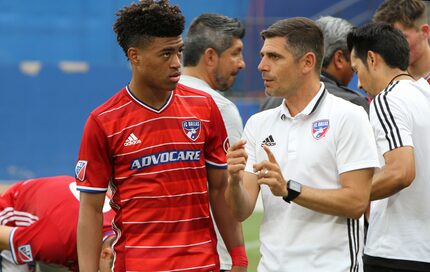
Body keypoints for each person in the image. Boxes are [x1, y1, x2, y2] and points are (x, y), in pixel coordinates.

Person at [76, 1, 247, 271]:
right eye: (166, 54)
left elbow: (219, 189)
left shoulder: (205, 107)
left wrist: (239, 257)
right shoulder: (103, 121)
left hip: (202, 266)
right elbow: (91, 210)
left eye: (179, 51)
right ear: (135, 56)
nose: (177, 63)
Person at [225, 17, 379, 271]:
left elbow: (356, 203)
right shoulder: (258, 123)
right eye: (263, 56)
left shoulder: (348, 116)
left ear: (307, 62)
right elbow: (241, 211)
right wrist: (233, 180)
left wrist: (289, 189)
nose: (261, 66)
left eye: (274, 57)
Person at [348, 22, 430, 272]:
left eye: (356, 69)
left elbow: (400, 172)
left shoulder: (387, 99)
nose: (359, 84)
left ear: (371, 59)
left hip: (397, 251)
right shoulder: (424, 94)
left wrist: (346, 196)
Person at [179, 13, 246, 271]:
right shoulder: (219, 108)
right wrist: (238, 258)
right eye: (235, 53)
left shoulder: (158, 100)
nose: (242, 64)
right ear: (210, 57)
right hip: (213, 257)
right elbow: (231, 190)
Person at [0, 176, 114, 272]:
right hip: (12, 213)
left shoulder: (124, 226)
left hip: (58, 220)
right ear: (106, 254)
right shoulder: (55, 240)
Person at [260, 16, 369, 112]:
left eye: (274, 56)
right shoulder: (353, 104)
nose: (261, 66)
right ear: (339, 59)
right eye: (352, 60)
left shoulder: (270, 102)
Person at [373, 0, 430, 83]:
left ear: (425, 32)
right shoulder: (386, 85)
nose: (393, 47)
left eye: (400, 37)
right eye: (388, 40)